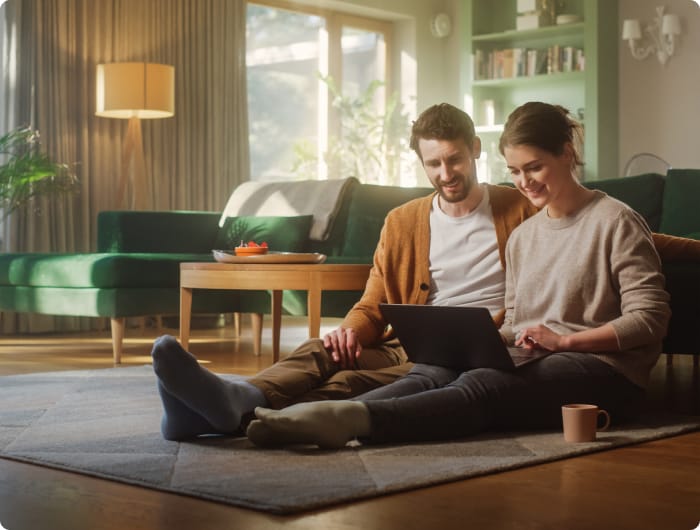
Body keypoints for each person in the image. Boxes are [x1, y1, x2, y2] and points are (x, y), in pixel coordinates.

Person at [244, 101, 672, 449]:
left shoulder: (616, 220)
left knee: (482, 383)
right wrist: (481, 341)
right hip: (543, 356)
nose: (525, 182)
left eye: (535, 167)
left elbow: (650, 319)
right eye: (516, 172)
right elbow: (521, 320)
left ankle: (355, 420)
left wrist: (564, 341)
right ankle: (306, 417)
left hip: (605, 369)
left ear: (566, 153)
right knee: (434, 371)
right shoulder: (524, 236)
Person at [150, 102, 538, 440]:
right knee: (323, 350)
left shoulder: (520, 209)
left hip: (477, 351)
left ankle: (223, 412)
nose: (445, 173)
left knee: (347, 383)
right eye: (433, 163)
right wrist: (351, 331)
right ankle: (237, 399)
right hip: (409, 345)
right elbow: (374, 301)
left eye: (454, 159)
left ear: (475, 149)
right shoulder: (402, 221)